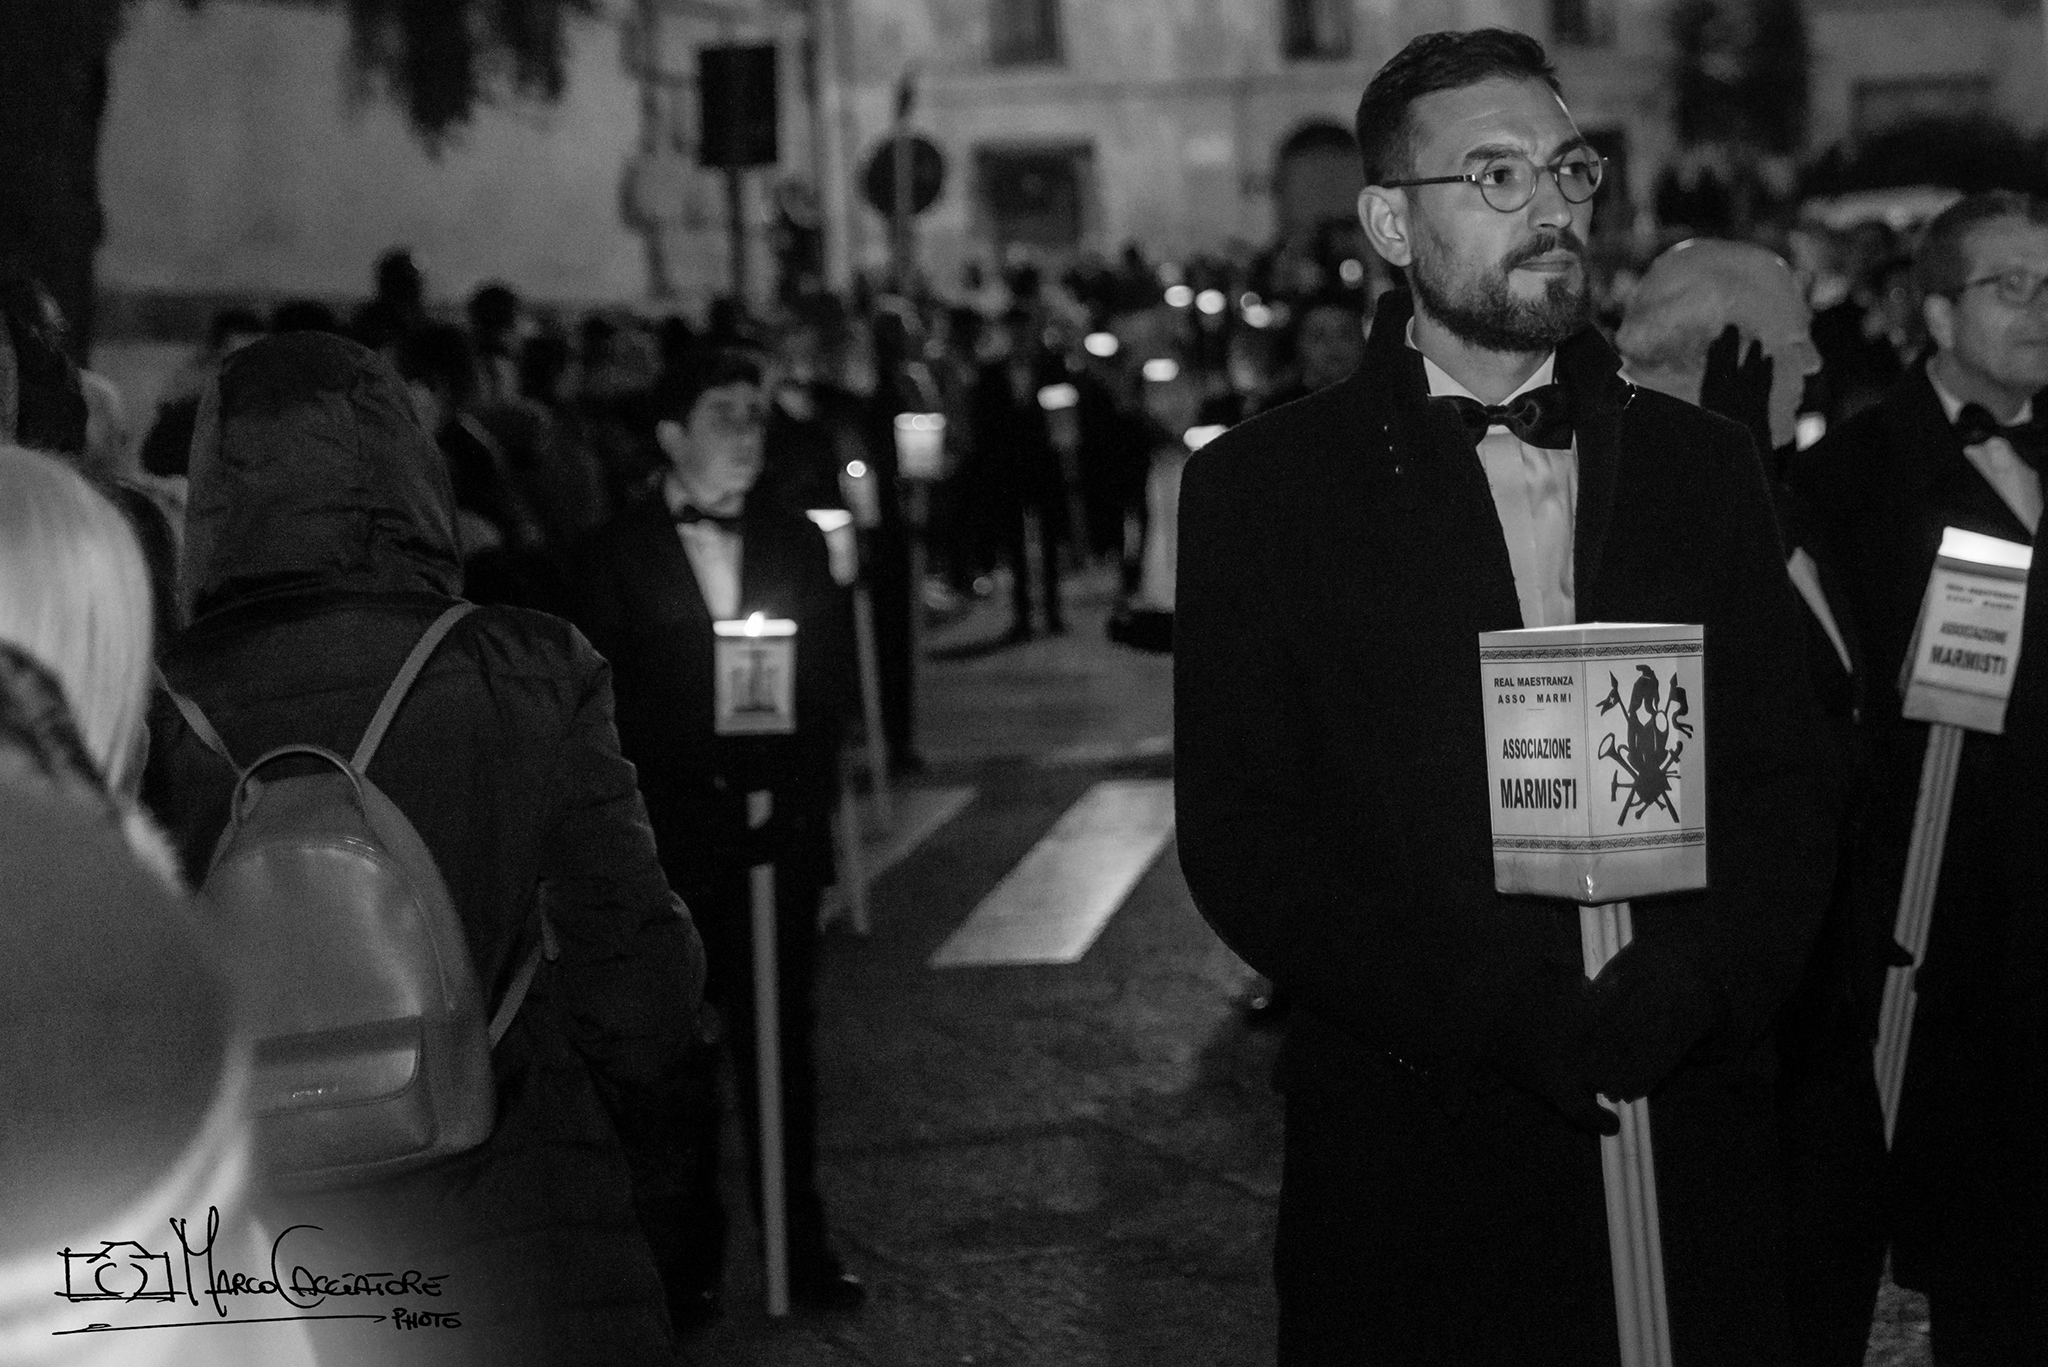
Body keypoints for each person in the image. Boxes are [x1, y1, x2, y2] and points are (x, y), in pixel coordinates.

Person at [1175, 30, 1831, 1365]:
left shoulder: (1702, 469)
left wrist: (1705, 977)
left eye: (1566, 169)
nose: (1549, 208)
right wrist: (1482, 1004)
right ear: (1388, 224)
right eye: (1494, 174)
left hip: (1686, 1134)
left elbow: (1794, 771)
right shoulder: (1265, 490)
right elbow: (1246, 833)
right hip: (1419, 1160)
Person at [142, 331, 707, 1367]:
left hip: (263, 1244)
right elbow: (637, 980)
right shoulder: (524, 666)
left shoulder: (155, 706)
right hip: (520, 1213)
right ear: (409, 466)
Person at [1792, 188, 2048, 1363]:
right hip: (1959, 936)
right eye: (2011, 285)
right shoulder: (1850, 479)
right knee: (1988, 1269)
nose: (2039, 308)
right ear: (1935, 313)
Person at [1618, 239, 1884, 1367]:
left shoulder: (1791, 500)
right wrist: (1722, 477)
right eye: (1787, 342)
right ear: (1715, 356)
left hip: (1831, 1006)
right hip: (1737, 1029)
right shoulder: (1640, 511)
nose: (1815, 361)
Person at [572, 349, 864, 1324]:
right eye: (723, 413)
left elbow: (826, 695)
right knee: (672, 1065)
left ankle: (800, 1245)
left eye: (754, 412)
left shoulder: (791, 540)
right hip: (672, 841)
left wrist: (792, 799)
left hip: (771, 834)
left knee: (783, 1049)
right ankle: (685, 1258)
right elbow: (607, 710)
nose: (747, 430)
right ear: (670, 434)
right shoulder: (613, 552)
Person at [971, 307, 1070, 640]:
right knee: (1015, 545)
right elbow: (985, 424)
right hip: (1010, 469)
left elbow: (1065, 420)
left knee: (1049, 541)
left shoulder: (1052, 368)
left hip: (1043, 466)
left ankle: (1053, 611)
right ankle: (1022, 614)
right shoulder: (992, 374)